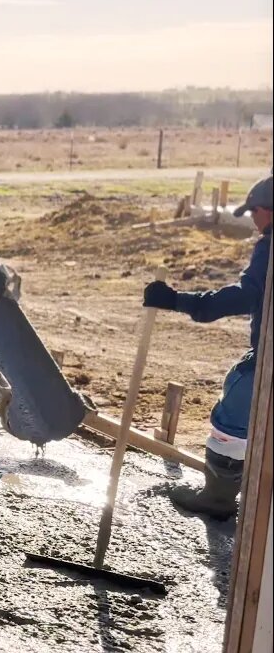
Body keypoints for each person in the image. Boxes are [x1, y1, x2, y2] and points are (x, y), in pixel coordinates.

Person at [143, 174, 271, 520]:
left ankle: (217, 500)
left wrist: (177, 300)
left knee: (233, 415)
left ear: (266, 211)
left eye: (255, 214)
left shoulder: (271, 245)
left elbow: (247, 295)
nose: (254, 223)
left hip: (270, 357)